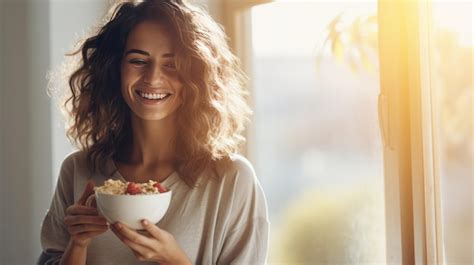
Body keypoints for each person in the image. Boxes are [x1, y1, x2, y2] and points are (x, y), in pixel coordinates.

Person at [38, 0, 269, 264]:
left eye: (171, 65)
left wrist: (176, 261)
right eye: (138, 60)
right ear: (115, 69)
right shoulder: (78, 171)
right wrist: (77, 245)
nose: (152, 78)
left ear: (196, 75)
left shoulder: (232, 180)